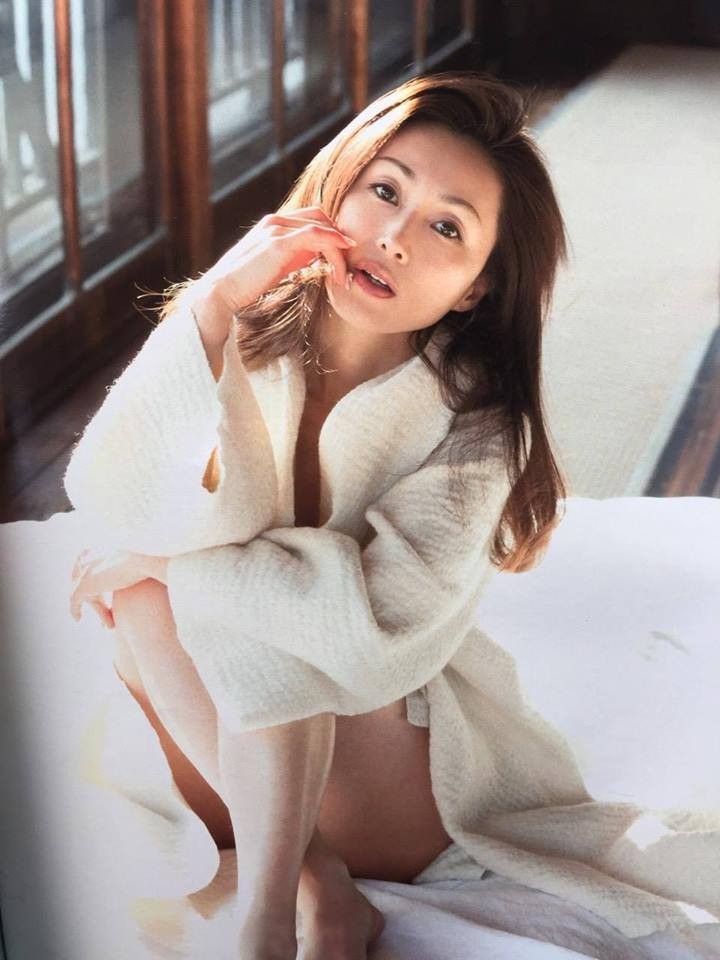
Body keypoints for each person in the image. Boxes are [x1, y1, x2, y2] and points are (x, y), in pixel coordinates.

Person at [65, 70, 568, 960]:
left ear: (475, 289)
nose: (394, 237)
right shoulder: (242, 328)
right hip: (226, 766)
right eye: (385, 190)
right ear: (337, 187)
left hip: (384, 785)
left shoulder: (478, 424)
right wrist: (210, 306)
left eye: (447, 228)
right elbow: (116, 498)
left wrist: (180, 567)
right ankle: (316, 881)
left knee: (261, 617)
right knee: (140, 598)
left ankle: (264, 929)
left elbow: (373, 634)